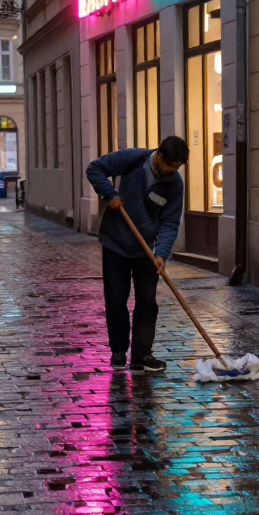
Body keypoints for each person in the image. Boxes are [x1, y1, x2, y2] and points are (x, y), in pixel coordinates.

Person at [86, 135, 188, 373]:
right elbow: (95, 169)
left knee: (147, 302)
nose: (173, 171)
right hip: (115, 242)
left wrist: (161, 253)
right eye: (171, 166)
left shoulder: (174, 184)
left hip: (146, 250)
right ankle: (119, 351)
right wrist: (109, 194)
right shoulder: (134, 159)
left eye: (178, 168)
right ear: (160, 156)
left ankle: (142, 355)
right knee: (116, 299)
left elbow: (170, 222)